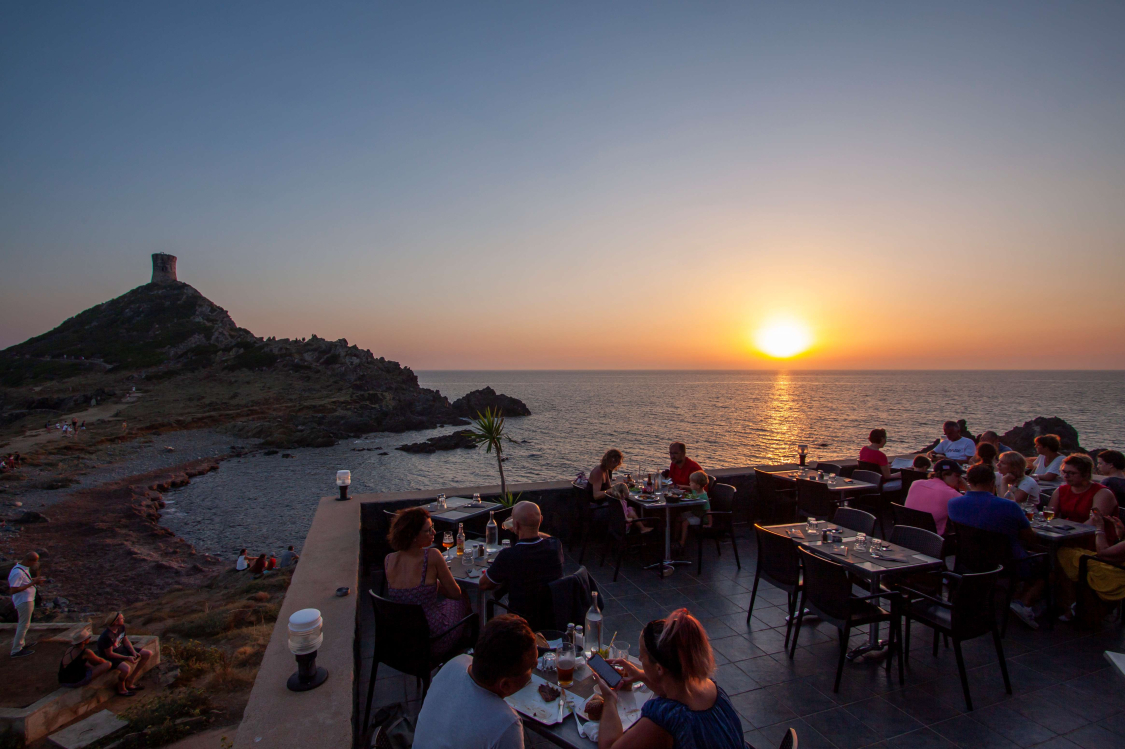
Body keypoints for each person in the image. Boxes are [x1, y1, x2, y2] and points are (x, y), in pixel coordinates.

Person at [593, 609, 745, 749]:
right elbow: (676, 693)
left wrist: (609, 700)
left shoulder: (667, 719)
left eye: (642, 655)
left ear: (660, 668)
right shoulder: (710, 687)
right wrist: (641, 675)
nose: (639, 658)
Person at [413, 614, 537, 749]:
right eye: (531, 666)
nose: (536, 665)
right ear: (505, 685)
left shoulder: (455, 663)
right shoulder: (506, 724)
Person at [948, 466, 1043, 629]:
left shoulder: (954, 503)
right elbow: (1030, 537)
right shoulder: (1009, 506)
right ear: (993, 482)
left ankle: (1012, 594)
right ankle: (1024, 601)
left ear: (968, 481)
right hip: (1006, 564)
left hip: (969, 561)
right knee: (1050, 563)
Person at [384, 507, 470, 654]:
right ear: (413, 536)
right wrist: (438, 582)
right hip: (433, 639)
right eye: (428, 530)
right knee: (463, 598)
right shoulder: (432, 556)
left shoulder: (389, 560)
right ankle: (463, 650)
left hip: (404, 637)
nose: (434, 533)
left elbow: (411, 591)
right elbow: (455, 593)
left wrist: (432, 585)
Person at [479, 501, 564, 629]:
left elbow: (484, 584)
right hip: (552, 619)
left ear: (515, 525)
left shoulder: (509, 556)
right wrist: (526, 528)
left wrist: (518, 529)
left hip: (520, 623)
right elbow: (549, 538)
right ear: (540, 520)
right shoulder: (555, 546)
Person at [1056, 509, 1125, 622]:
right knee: (1068, 551)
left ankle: (1074, 605)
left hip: (1116, 575)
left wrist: (1099, 527)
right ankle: (1072, 604)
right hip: (1114, 564)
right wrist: (1121, 535)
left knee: (1064, 554)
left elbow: (1103, 553)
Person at [1044, 454, 1118, 540]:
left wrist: (1067, 533)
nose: (1066, 476)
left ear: (1086, 474)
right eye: (1064, 472)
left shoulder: (1102, 493)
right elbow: (1051, 514)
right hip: (1067, 534)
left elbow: (1094, 521)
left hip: (1094, 539)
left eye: (1072, 473)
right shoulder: (1061, 490)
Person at [904, 459, 965, 535]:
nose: (959, 480)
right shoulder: (951, 493)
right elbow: (973, 505)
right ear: (944, 475)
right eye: (957, 476)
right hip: (933, 539)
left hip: (907, 533)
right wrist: (966, 488)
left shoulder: (916, 483)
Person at [98, 612, 154, 693]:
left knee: (148, 653)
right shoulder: (107, 636)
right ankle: (121, 688)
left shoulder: (121, 627)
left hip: (121, 650)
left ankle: (131, 679)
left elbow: (126, 641)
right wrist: (127, 657)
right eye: (122, 618)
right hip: (110, 657)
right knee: (126, 669)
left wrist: (133, 652)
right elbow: (109, 654)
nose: (124, 619)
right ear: (115, 622)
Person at [8, 551, 44, 658]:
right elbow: (13, 590)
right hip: (23, 601)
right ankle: (16, 650)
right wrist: (32, 583)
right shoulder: (18, 572)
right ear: (29, 561)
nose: (35, 564)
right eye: (34, 562)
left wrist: (33, 581)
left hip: (26, 600)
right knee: (23, 624)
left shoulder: (22, 568)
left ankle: (21, 644)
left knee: (25, 624)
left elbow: (23, 582)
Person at [676, 471, 713, 548]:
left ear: (698, 486)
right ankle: (675, 538)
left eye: (692, 483)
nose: (690, 484)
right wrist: (682, 486)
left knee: (685, 523)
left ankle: (682, 542)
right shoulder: (695, 490)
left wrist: (710, 524)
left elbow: (708, 510)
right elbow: (690, 488)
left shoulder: (703, 497)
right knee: (678, 517)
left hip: (701, 517)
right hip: (694, 513)